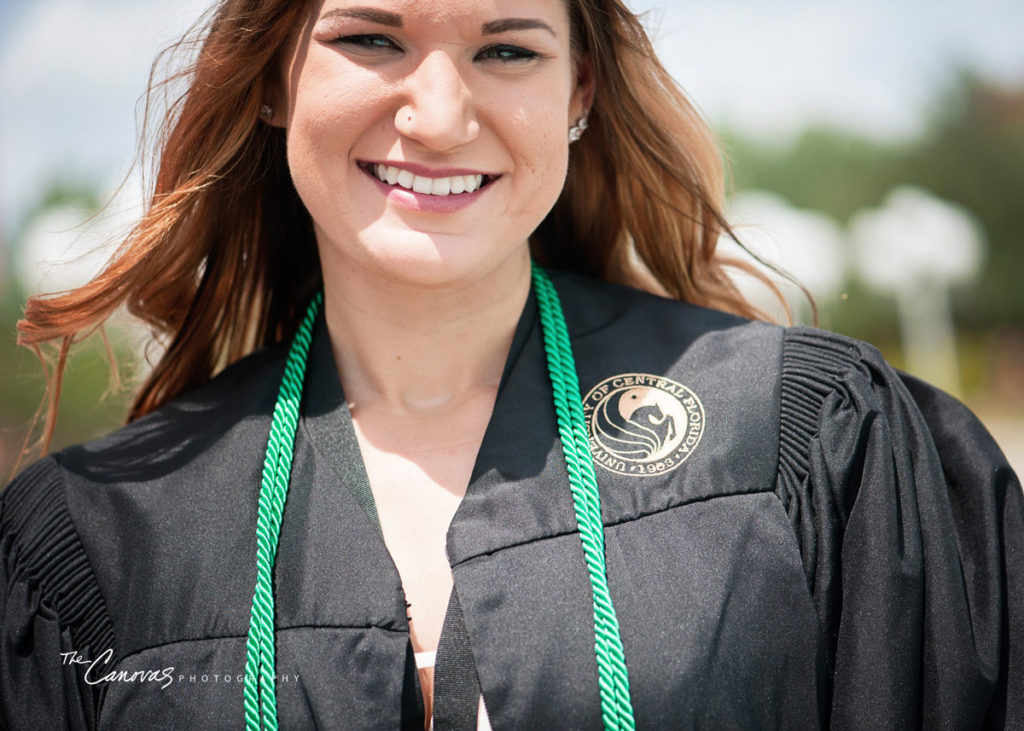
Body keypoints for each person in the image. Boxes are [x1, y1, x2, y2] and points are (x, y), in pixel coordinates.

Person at [2, 0, 1021, 728]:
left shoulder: (807, 441)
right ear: (273, 79)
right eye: (370, 37)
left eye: (505, 48)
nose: (440, 116)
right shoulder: (107, 537)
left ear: (580, 86)